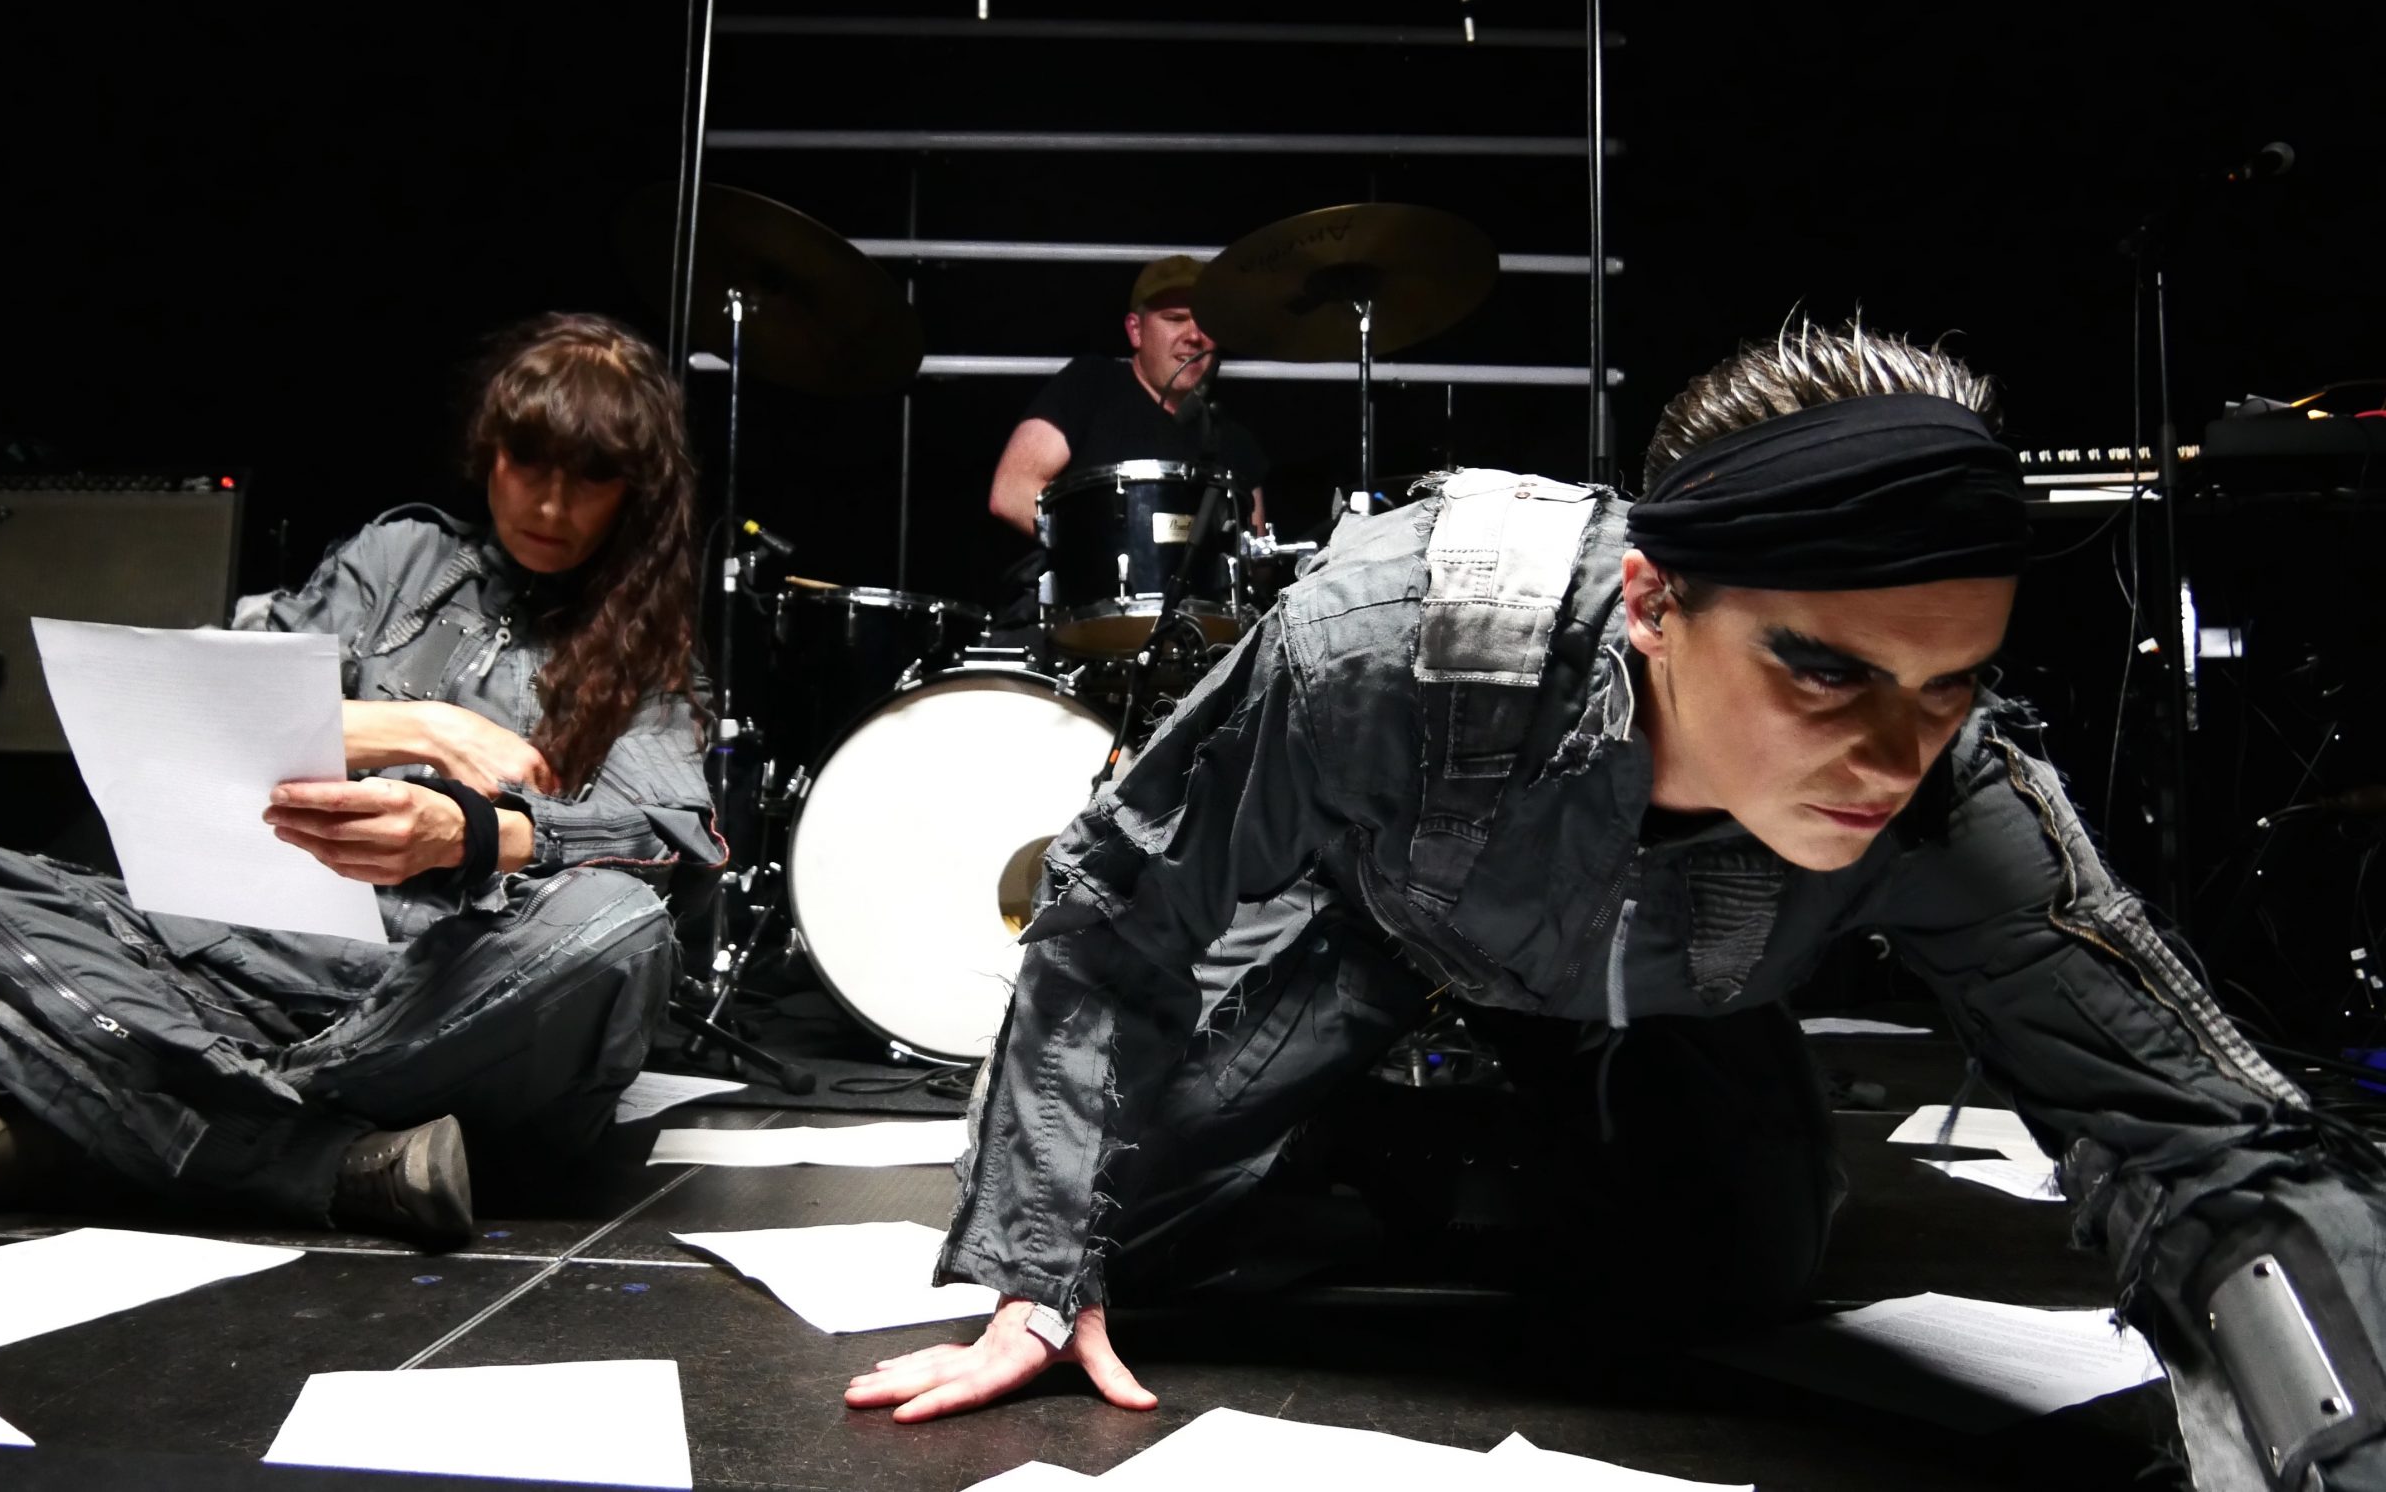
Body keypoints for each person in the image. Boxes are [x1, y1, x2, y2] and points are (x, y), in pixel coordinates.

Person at [851, 321, 2386, 1489]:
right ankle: (1352, 1125)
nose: (1889, 755)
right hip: (1378, 939)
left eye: (1947, 683)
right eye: (1824, 672)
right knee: (1109, 1254)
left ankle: (1465, 1149)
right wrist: (1037, 1269)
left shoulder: (1946, 785)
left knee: (1743, 1282)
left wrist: (2340, 1428)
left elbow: (2196, 1135)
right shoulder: (1387, 637)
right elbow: (1118, 903)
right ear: (1654, 599)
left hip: (1677, 993)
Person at [0, 313, 723, 1246]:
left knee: (619, 928)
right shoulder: (400, 559)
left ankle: (130, 1119)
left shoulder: (648, 652)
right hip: (240, 962)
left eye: (590, 478)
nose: (551, 504)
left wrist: (469, 833)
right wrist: (419, 728)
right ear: (488, 452)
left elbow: (676, 839)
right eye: (529, 464)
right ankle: (325, 1159)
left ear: (634, 493)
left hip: (445, 995)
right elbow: (202, 719)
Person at [988, 254, 1271, 539]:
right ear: (1136, 330)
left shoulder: (1233, 439)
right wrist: (1106, 548)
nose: (1194, 336)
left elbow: (1254, 551)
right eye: (1176, 319)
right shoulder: (1091, 385)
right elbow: (1012, 491)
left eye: (1206, 323)